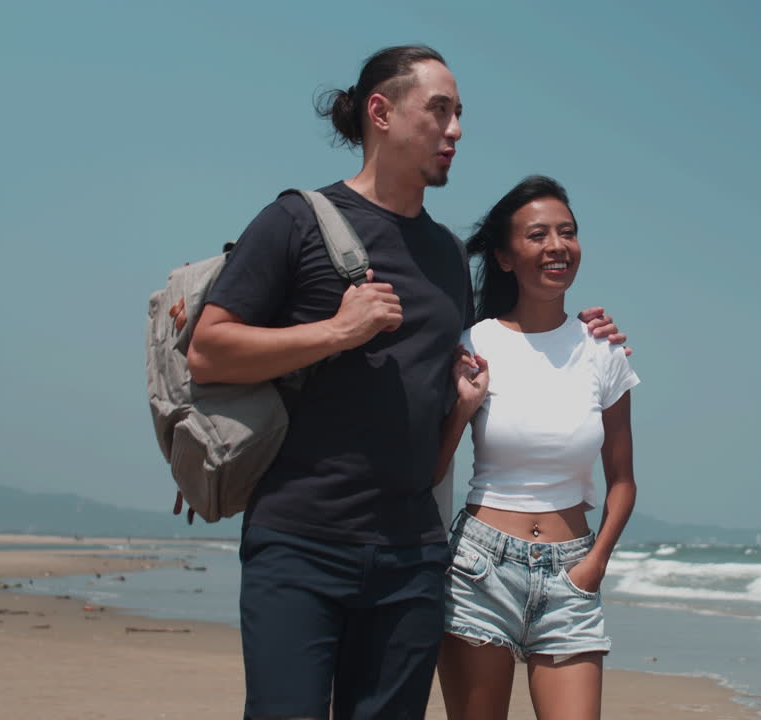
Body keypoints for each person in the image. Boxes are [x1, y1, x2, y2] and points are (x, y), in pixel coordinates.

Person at [185, 48, 625, 719]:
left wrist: (587, 332)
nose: (455, 131)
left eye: (459, 115)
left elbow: (502, 349)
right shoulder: (296, 221)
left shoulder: (447, 254)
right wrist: (337, 332)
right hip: (301, 540)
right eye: (440, 111)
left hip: (412, 557)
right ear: (381, 112)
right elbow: (209, 351)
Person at [435, 176, 639, 720]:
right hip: (480, 569)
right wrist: (461, 406)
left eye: (567, 233)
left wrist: (595, 562)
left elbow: (623, 479)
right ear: (505, 256)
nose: (557, 246)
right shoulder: (475, 343)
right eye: (537, 235)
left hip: (572, 573)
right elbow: (432, 468)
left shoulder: (604, 351)